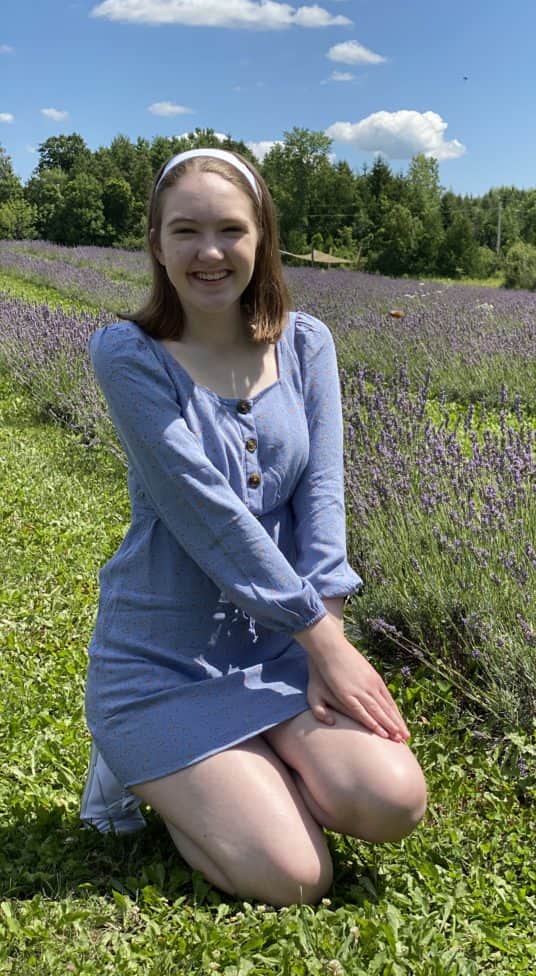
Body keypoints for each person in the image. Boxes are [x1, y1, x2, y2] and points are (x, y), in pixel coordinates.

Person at [80, 147, 427, 905]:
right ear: (156, 244)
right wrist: (325, 641)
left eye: (231, 230)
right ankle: (134, 764)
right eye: (186, 231)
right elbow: (210, 517)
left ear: (262, 237)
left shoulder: (306, 344)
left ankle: (246, 770)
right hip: (159, 668)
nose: (210, 252)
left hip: (279, 651)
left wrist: (323, 639)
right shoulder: (128, 354)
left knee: (393, 799)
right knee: (296, 878)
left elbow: (323, 500)